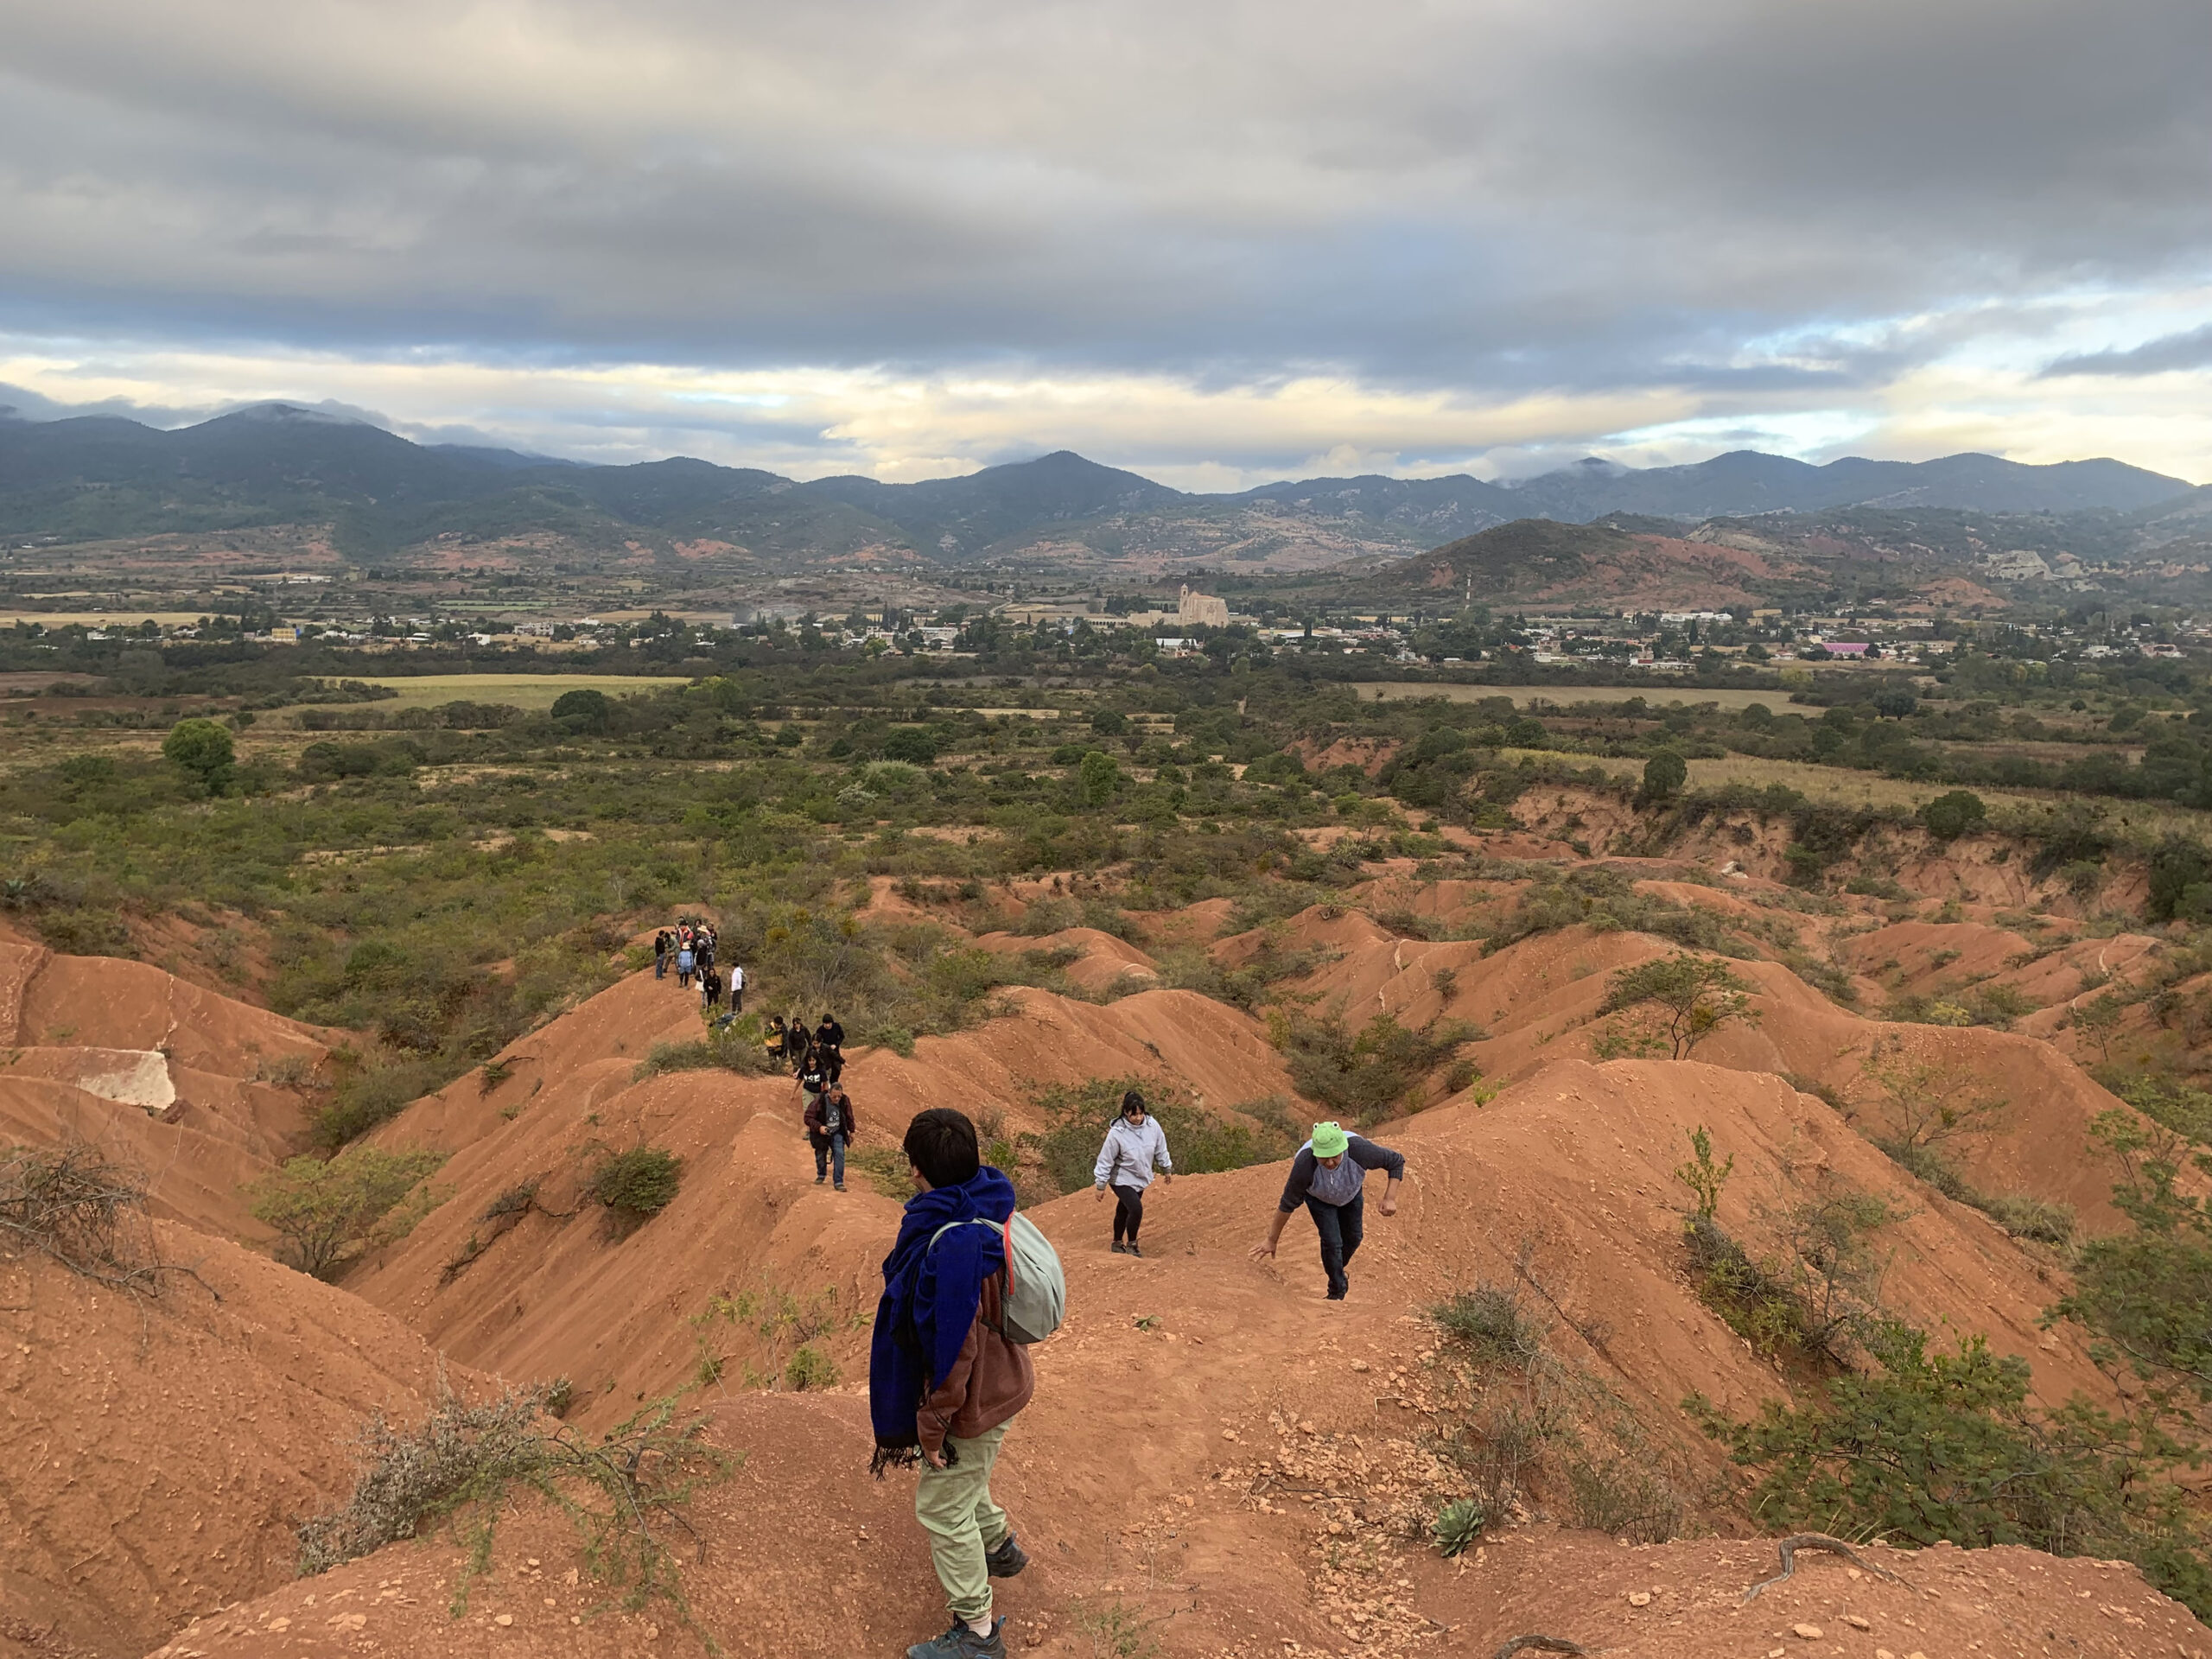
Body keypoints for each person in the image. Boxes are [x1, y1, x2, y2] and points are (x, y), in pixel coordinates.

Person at [869, 1109, 1033, 1659]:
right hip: (1007, 1377)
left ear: (916, 1170)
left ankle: (979, 1634)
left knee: (942, 1506)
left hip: (977, 1393)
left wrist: (934, 1423)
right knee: (969, 1477)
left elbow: (955, 1348)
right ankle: (999, 1547)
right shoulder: (989, 1201)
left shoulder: (951, 1244)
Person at [1249, 1121, 1404, 1301]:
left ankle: (1336, 1268)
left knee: (1354, 1237)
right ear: (1315, 1153)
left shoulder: (1360, 1150)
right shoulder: (1305, 1165)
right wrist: (1271, 1240)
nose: (1330, 1162)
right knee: (1332, 1242)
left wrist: (1390, 1198)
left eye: (1335, 1156)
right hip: (1319, 1199)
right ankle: (1336, 1292)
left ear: (1343, 1148)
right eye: (1323, 1158)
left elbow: (1396, 1162)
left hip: (1350, 1194)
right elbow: (1287, 1204)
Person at [1091, 1090, 1172, 1257]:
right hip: (1121, 1178)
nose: (1137, 1118)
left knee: (1124, 1210)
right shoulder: (1117, 1133)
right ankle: (1132, 1244)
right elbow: (1106, 1159)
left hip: (1141, 1175)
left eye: (1140, 1113)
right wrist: (1101, 1184)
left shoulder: (1152, 1125)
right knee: (1135, 1209)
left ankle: (1116, 1242)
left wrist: (1166, 1167)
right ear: (1125, 1112)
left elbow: (1160, 1147)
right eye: (1133, 1114)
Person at [805, 1083, 858, 1190]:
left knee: (839, 1154)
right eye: (834, 1096)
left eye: (839, 1096)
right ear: (829, 1094)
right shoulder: (819, 1102)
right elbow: (807, 1117)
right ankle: (821, 1174)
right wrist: (819, 1127)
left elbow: (849, 1116)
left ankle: (838, 1182)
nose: (837, 1099)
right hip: (821, 1134)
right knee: (820, 1155)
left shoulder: (844, 1101)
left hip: (837, 1132)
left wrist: (852, 1131)